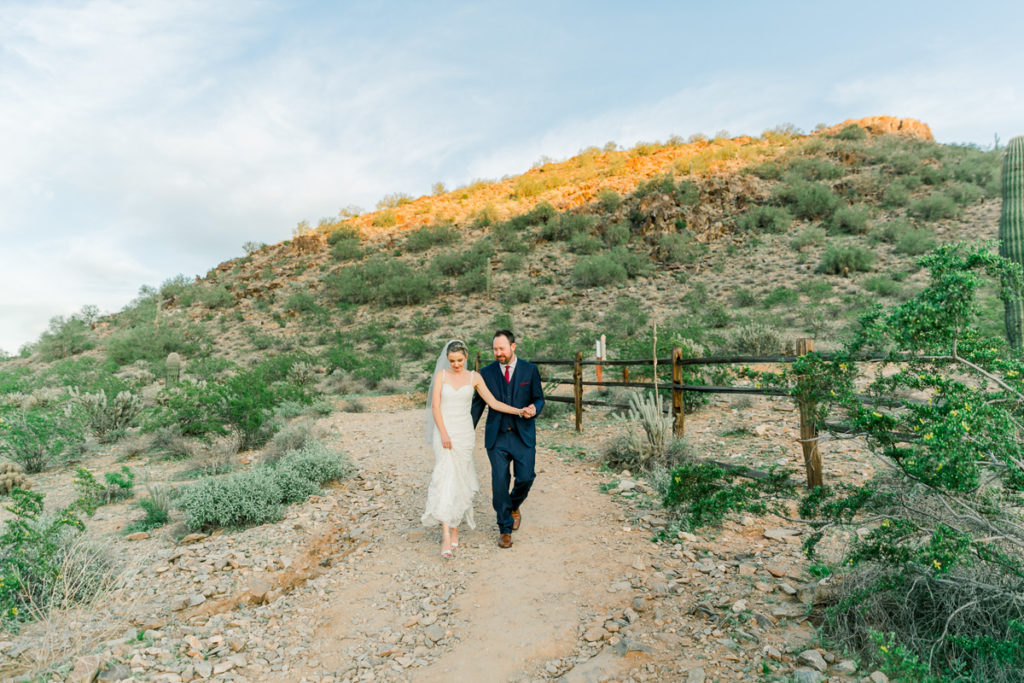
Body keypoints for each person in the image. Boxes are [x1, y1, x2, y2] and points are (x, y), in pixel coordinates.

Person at [422, 339, 523, 558]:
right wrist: (445, 434)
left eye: (459, 360)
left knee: (461, 479)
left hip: (465, 433)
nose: (456, 364)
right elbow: (436, 407)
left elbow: (494, 403)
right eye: (452, 361)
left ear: (466, 357)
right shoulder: (441, 376)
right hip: (444, 432)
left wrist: (518, 411)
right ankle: (446, 535)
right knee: (445, 477)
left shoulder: (474, 377)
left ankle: (456, 526)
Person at [471, 330, 544, 549]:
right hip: (497, 437)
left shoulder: (530, 370)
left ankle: (513, 506)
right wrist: (465, 432)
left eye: (501, 348)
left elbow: (539, 398)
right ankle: (504, 528)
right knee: (500, 481)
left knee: (526, 477)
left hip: (523, 435)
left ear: (513, 347)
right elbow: (478, 405)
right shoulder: (486, 372)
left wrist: (534, 408)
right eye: (495, 349)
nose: (498, 353)